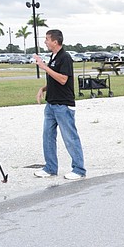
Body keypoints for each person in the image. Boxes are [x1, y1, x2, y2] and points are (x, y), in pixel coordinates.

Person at [33, 29, 86, 180]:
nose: (45, 42)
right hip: (51, 104)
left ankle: (79, 169)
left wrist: (44, 67)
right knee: (48, 136)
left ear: (55, 42)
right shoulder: (53, 56)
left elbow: (63, 79)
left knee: (70, 138)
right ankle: (50, 168)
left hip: (63, 105)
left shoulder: (65, 57)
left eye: (47, 39)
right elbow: (55, 80)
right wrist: (43, 88)